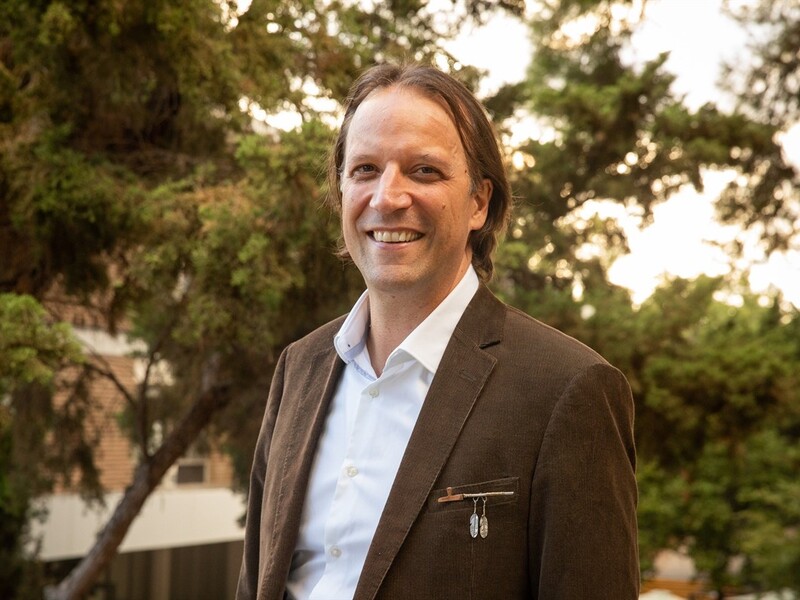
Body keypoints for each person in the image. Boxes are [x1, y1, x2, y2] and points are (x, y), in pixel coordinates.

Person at [236, 63, 639, 600]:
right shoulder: (299, 368)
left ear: (479, 202)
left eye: (424, 171)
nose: (387, 197)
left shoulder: (569, 390)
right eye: (364, 169)